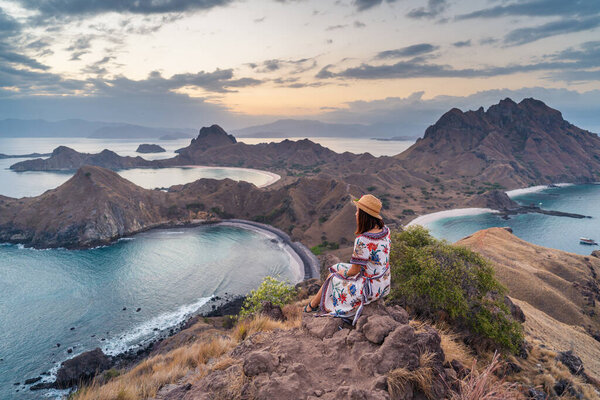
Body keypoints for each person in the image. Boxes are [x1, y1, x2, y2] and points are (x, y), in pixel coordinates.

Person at [304, 194, 391, 325]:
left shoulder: (363, 240)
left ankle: (311, 306)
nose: (355, 214)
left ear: (364, 216)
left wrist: (341, 274)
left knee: (332, 277)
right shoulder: (385, 231)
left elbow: (354, 271)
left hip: (368, 288)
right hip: (383, 283)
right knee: (337, 266)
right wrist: (342, 271)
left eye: (358, 211)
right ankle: (314, 304)